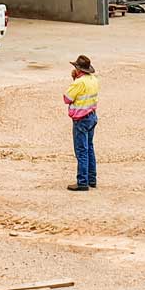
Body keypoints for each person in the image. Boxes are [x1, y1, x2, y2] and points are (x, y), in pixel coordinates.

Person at [63, 54, 99, 192]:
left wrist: (74, 80)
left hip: (81, 119)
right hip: (92, 116)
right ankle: (92, 179)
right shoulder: (94, 80)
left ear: (78, 69)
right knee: (89, 148)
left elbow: (67, 98)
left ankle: (82, 182)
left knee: (81, 151)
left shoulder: (79, 82)